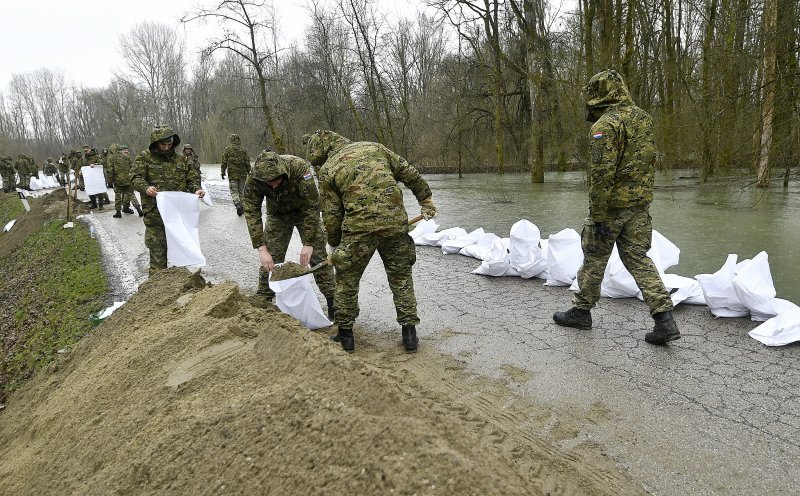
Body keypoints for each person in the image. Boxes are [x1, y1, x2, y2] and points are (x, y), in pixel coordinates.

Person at [552, 69, 680, 345]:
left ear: (598, 95)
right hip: (639, 206)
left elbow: (601, 174)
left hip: (612, 207)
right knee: (639, 259)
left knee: (594, 258)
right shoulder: (643, 118)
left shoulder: (605, 126)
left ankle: (581, 312)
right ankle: (664, 319)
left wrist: (597, 214)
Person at [305, 130, 438, 353]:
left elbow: (331, 216)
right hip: (395, 224)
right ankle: (410, 335)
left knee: (346, 280)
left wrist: (336, 246)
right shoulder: (375, 148)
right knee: (401, 277)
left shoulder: (328, 170)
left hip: (358, 231)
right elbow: (410, 174)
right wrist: (426, 200)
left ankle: (346, 336)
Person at [242, 150, 336, 318]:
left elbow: (313, 205)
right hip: (277, 215)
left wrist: (309, 243)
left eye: (276, 180)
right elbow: (251, 210)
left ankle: (333, 302)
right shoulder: (254, 178)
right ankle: (264, 298)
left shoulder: (299, 168)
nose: (273, 186)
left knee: (319, 256)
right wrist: (262, 249)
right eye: (268, 183)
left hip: (303, 212)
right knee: (271, 257)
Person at [131, 125, 204, 275]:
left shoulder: (182, 160)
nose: (166, 147)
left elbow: (191, 179)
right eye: (162, 144)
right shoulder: (144, 157)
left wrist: (196, 189)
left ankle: (179, 288)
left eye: (169, 144)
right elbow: (134, 177)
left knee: (181, 254)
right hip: (155, 215)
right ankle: (155, 289)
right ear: (155, 143)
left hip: (178, 216)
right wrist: (146, 188)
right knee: (158, 256)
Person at [106, 144, 142, 218]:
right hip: (128, 179)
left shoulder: (111, 158)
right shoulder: (127, 157)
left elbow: (110, 171)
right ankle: (138, 209)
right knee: (131, 194)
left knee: (118, 196)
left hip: (118, 181)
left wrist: (109, 182)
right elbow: (132, 167)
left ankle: (118, 212)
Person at [220, 133, 250, 216]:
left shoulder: (227, 150)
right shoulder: (243, 150)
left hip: (232, 175)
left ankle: (238, 205)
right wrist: (249, 172)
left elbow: (224, 162)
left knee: (234, 192)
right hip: (242, 174)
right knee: (242, 192)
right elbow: (247, 162)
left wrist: (222, 172)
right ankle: (243, 207)